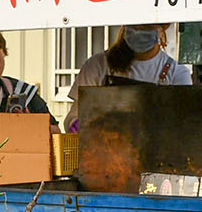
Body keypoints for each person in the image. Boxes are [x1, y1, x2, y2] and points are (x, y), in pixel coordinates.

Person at [61, 23, 190, 131]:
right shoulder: (98, 65)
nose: (140, 30)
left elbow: (181, 126)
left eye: (147, 26)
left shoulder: (177, 74)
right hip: (106, 155)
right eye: (135, 25)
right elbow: (74, 116)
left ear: (161, 31)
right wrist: (78, 126)